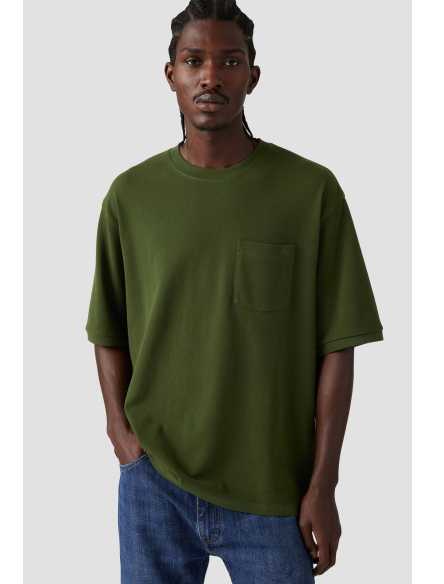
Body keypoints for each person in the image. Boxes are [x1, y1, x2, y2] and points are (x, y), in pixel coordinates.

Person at [85, 1, 384, 582]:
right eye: (193, 60)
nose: (211, 77)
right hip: (155, 484)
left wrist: (324, 483)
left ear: (253, 76)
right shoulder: (130, 196)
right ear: (170, 74)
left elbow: (339, 344)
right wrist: (122, 439)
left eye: (230, 61)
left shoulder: (310, 191)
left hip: (274, 488)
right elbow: (107, 328)